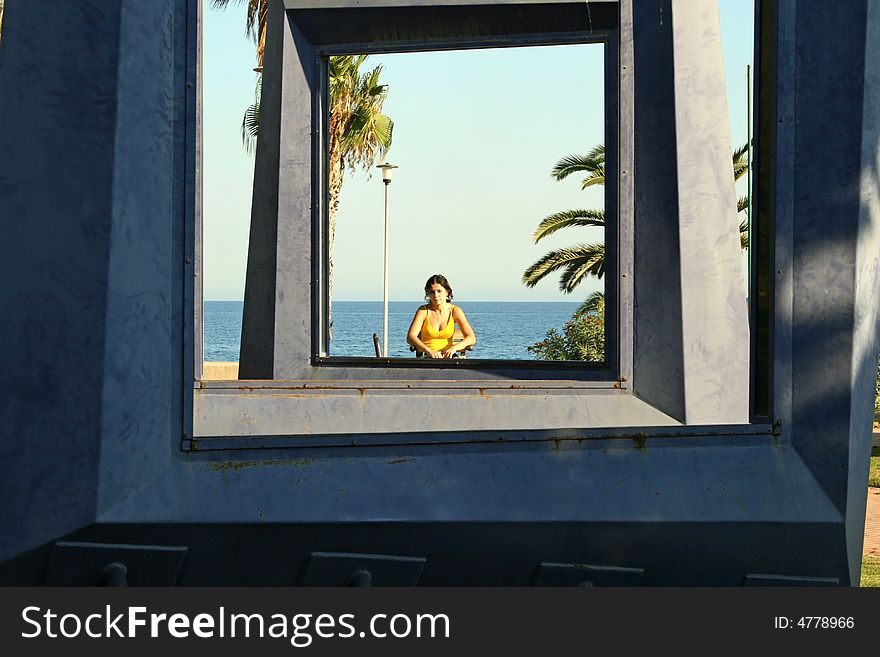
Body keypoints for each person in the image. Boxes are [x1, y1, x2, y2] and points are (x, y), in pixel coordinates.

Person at [406, 274, 476, 358]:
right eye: (432, 292)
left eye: (439, 291)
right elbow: (411, 337)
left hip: (449, 357)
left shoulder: (455, 311)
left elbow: (471, 338)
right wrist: (428, 350)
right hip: (427, 356)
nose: (435, 295)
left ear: (447, 292)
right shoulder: (423, 311)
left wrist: (454, 348)